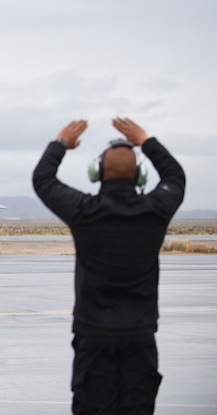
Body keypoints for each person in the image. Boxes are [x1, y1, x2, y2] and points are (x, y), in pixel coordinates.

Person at [32, 117, 186, 414]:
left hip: (94, 336)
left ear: (96, 173)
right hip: (139, 336)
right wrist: (145, 141)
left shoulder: (83, 212)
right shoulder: (154, 211)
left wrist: (60, 142)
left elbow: (43, 179)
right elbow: (176, 177)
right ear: (140, 176)